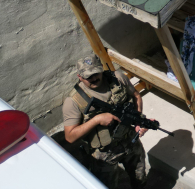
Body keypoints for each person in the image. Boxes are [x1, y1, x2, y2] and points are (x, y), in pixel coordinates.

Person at [63, 55, 147, 189]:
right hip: (104, 153)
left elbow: (136, 96)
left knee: (140, 177)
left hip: (130, 139)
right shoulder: (73, 101)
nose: (94, 78)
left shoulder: (118, 78)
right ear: (79, 77)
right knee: (105, 185)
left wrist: (138, 120)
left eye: (96, 73)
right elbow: (70, 136)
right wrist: (97, 119)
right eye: (88, 77)